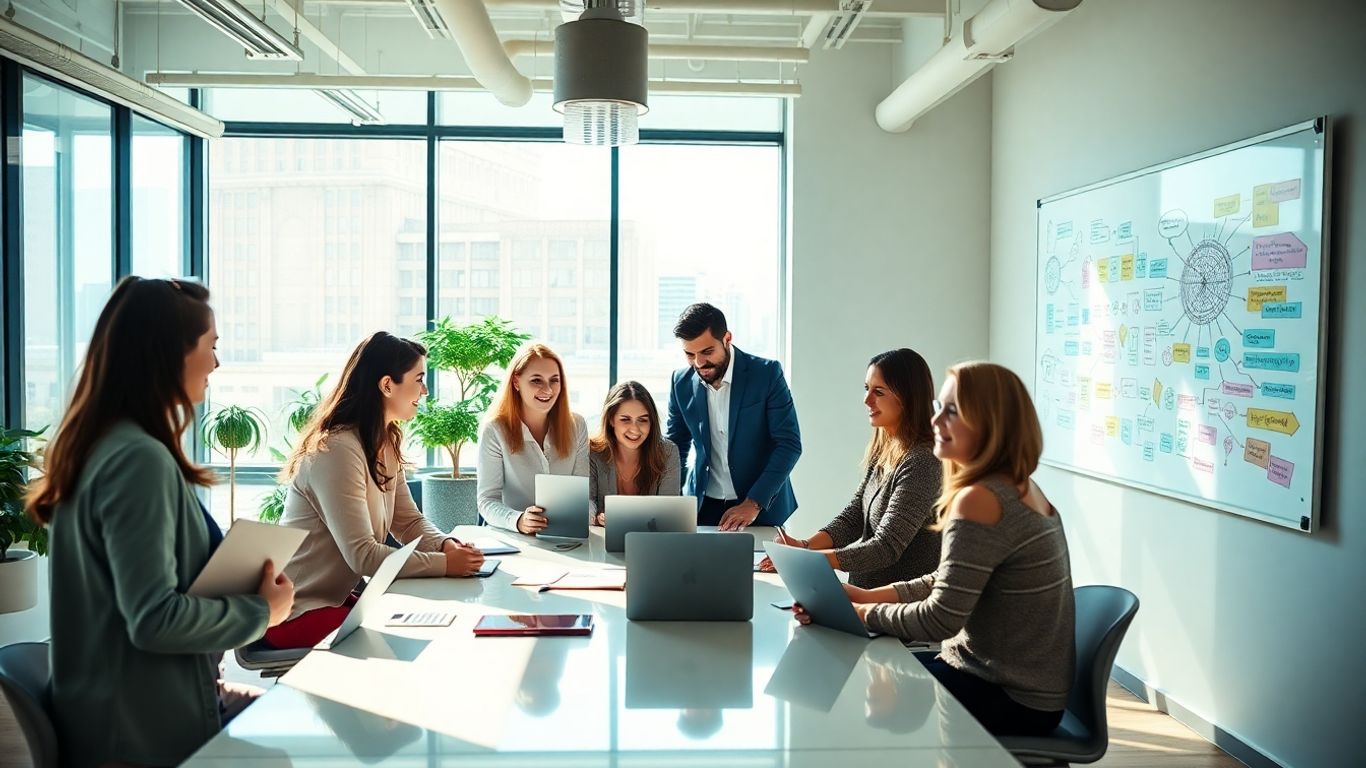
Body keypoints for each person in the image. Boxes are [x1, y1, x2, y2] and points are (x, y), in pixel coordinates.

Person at [27, 276, 295, 768]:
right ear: (170, 354)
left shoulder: (106, 446)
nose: (216, 363)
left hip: (142, 707)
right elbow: (153, 619)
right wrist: (261, 611)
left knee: (293, 725)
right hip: (138, 732)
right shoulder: (138, 460)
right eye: (211, 346)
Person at [792, 361, 1075, 737]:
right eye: (939, 407)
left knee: (862, 689)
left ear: (989, 423)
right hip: (1019, 689)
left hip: (1008, 696)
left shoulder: (980, 500)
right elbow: (945, 578)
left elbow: (941, 620)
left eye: (951, 411)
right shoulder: (1020, 487)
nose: (935, 420)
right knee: (869, 675)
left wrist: (859, 614)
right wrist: (862, 597)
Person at [266, 331, 485, 649]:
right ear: (387, 385)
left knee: (431, 625)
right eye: (419, 379)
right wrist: (445, 564)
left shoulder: (384, 442)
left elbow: (408, 521)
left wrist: (446, 545)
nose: (424, 390)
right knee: (411, 643)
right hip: (295, 612)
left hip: (335, 601)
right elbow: (363, 555)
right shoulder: (337, 450)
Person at [760, 348, 942, 588]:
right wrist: (804, 546)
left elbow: (886, 548)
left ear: (907, 398)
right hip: (862, 595)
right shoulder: (884, 449)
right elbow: (854, 517)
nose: (867, 400)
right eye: (867, 389)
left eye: (878, 392)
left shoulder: (922, 462)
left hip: (895, 605)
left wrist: (807, 560)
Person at [665, 303, 801, 530]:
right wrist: (669, 501)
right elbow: (674, 447)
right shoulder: (680, 382)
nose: (699, 363)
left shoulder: (766, 374)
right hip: (702, 506)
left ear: (727, 338)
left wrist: (754, 503)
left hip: (760, 507)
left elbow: (789, 444)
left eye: (707, 352)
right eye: (690, 354)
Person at [477, 343, 589, 533]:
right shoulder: (495, 430)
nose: (548, 390)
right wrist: (518, 520)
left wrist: (588, 516)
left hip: (566, 536)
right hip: (513, 538)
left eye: (554, 380)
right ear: (516, 382)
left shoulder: (577, 425)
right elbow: (487, 501)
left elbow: (584, 494)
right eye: (537, 381)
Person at [588, 380, 682, 526]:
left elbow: (668, 514)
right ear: (611, 420)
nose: (634, 429)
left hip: (649, 538)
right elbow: (587, 503)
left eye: (642, 420)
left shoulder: (668, 453)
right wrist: (596, 518)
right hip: (603, 537)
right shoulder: (593, 452)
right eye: (625, 420)